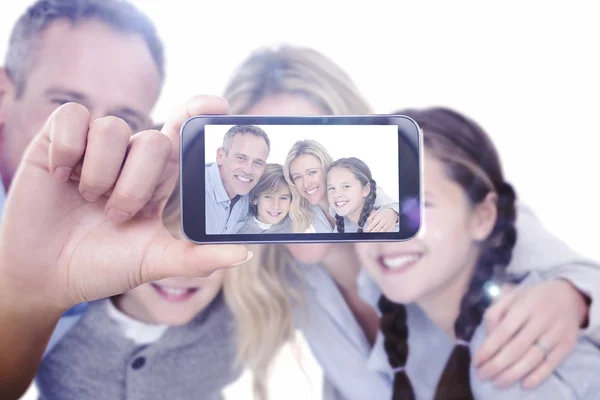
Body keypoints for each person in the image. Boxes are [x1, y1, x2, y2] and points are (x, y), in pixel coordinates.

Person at [220, 44, 599, 399]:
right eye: (276, 160)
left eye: (312, 149)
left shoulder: (430, 209)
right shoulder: (277, 277)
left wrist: (573, 297)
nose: (302, 181)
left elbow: (578, 277)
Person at [0, 1, 251, 398]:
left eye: (126, 120)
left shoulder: (102, 242)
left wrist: (29, 300)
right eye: (64, 103)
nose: (96, 137)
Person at [356, 106, 600, 399]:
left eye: (418, 206)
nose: (386, 228)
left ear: (482, 217)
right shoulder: (408, 335)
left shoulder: (522, 349)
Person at [284, 139, 400, 233]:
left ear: (326, 169)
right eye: (297, 177)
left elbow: (402, 209)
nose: (306, 184)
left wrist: (393, 214)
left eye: (312, 172)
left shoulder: (358, 190)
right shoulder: (303, 208)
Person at [204, 124, 271, 234]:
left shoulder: (254, 194)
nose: (248, 170)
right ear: (220, 156)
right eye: (241, 158)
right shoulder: (192, 188)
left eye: (258, 163)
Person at [326, 157, 399, 233]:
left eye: (346, 186)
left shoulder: (384, 225)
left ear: (366, 190)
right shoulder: (341, 224)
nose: (336, 194)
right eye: (331, 188)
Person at [237, 163, 294, 234]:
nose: (276, 206)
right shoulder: (237, 226)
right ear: (255, 198)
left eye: (283, 198)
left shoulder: (298, 227)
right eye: (269, 197)